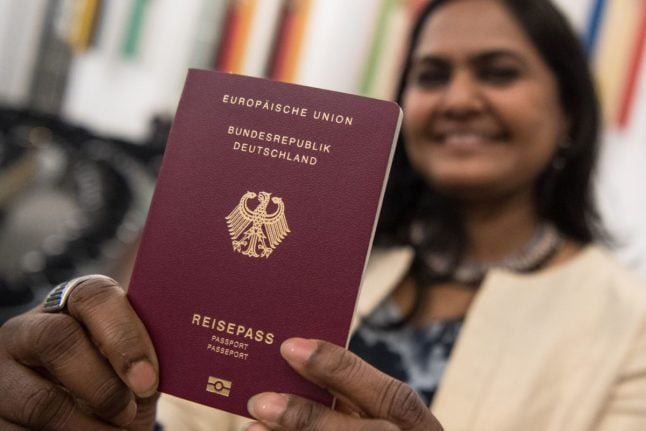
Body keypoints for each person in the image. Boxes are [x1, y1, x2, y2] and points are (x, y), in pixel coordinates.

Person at [1, 0, 645, 430]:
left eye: (498, 73)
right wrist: (84, 375)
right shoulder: (326, 253)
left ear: (569, 117)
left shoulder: (630, 330)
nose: (458, 99)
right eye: (430, 76)